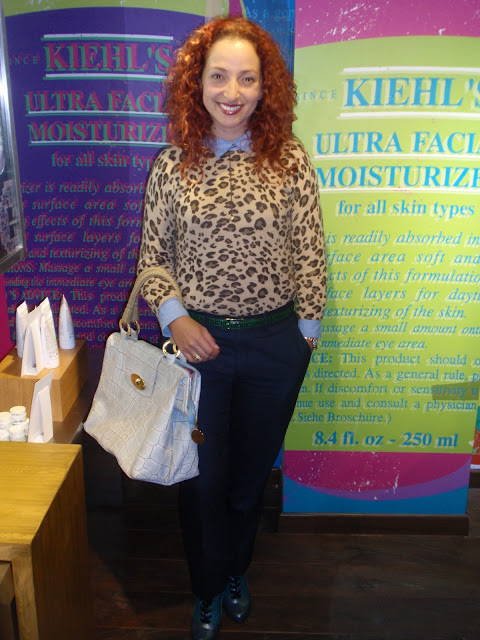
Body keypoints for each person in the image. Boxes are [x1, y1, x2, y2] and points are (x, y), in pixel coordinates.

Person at [137, 16, 327, 640]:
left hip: (276, 349)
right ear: (197, 83)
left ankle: (236, 570)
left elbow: (311, 254)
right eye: (219, 76)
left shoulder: (290, 160)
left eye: (247, 78)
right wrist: (176, 317)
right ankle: (206, 588)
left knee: (247, 481)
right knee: (201, 484)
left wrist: (305, 336)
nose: (232, 91)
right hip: (199, 352)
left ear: (265, 87)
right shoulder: (172, 166)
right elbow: (153, 260)